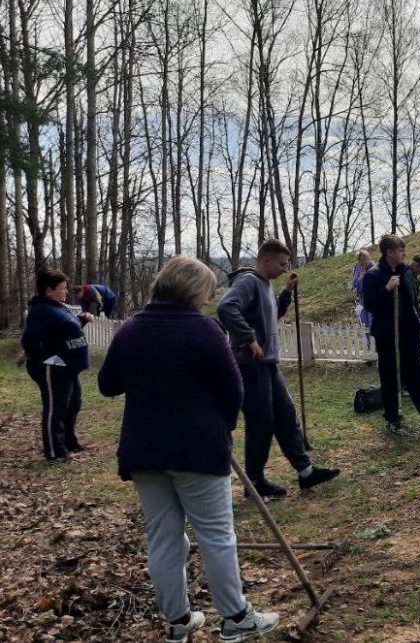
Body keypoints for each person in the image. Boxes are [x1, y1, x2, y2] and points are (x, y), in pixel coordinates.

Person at [98, 256, 280, 643]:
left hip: (145, 449)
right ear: (194, 291)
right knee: (216, 534)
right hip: (198, 447)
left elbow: (108, 384)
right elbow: (233, 389)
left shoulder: (131, 330)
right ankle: (235, 617)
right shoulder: (204, 329)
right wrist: (222, 426)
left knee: (164, 537)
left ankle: (178, 622)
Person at [217, 240, 340, 499]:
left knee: (285, 414)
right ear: (266, 260)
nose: (285, 269)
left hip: (267, 363)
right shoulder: (248, 282)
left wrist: (286, 292)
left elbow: (273, 314)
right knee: (261, 422)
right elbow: (226, 307)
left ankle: (306, 472)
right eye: (282, 264)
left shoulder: (265, 285)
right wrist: (249, 338)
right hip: (250, 364)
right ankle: (255, 482)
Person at [363, 234, 420, 435]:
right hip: (388, 335)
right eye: (400, 250)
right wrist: (387, 289)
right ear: (389, 253)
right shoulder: (374, 275)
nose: (404, 254)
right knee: (390, 377)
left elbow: (414, 304)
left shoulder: (406, 273)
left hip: (409, 334)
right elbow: (369, 304)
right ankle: (393, 419)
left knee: (417, 376)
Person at [21, 269, 94, 462]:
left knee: (73, 404)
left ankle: (69, 442)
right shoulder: (40, 310)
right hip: (53, 368)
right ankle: (55, 452)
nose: (66, 291)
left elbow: (62, 332)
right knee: (56, 408)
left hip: (69, 367)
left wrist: (81, 320)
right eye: (62, 288)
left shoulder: (58, 307)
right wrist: (49, 359)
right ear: (49, 290)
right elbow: (29, 340)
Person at [351, 250, 376, 333]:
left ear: (368, 259)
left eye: (363, 260)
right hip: (362, 301)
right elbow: (355, 283)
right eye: (359, 260)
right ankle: (368, 345)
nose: (361, 263)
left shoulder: (374, 269)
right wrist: (357, 279)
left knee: (373, 325)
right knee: (365, 326)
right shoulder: (358, 267)